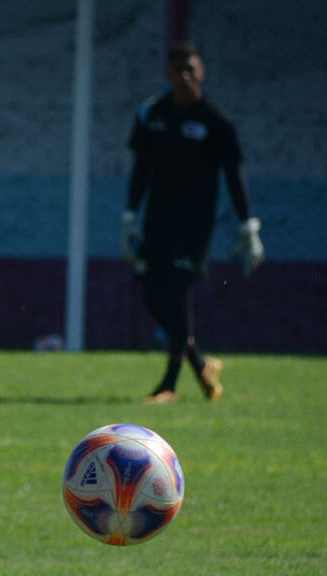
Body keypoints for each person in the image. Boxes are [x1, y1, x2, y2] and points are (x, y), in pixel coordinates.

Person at [121, 40, 264, 404]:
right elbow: (141, 170)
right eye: (177, 70)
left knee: (178, 294)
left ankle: (169, 384)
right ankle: (201, 364)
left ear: (202, 72)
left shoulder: (216, 122)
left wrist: (248, 226)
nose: (184, 76)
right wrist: (130, 216)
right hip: (157, 222)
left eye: (191, 69)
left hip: (195, 227)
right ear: (167, 74)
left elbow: (234, 175)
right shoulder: (152, 114)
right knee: (153, 298)